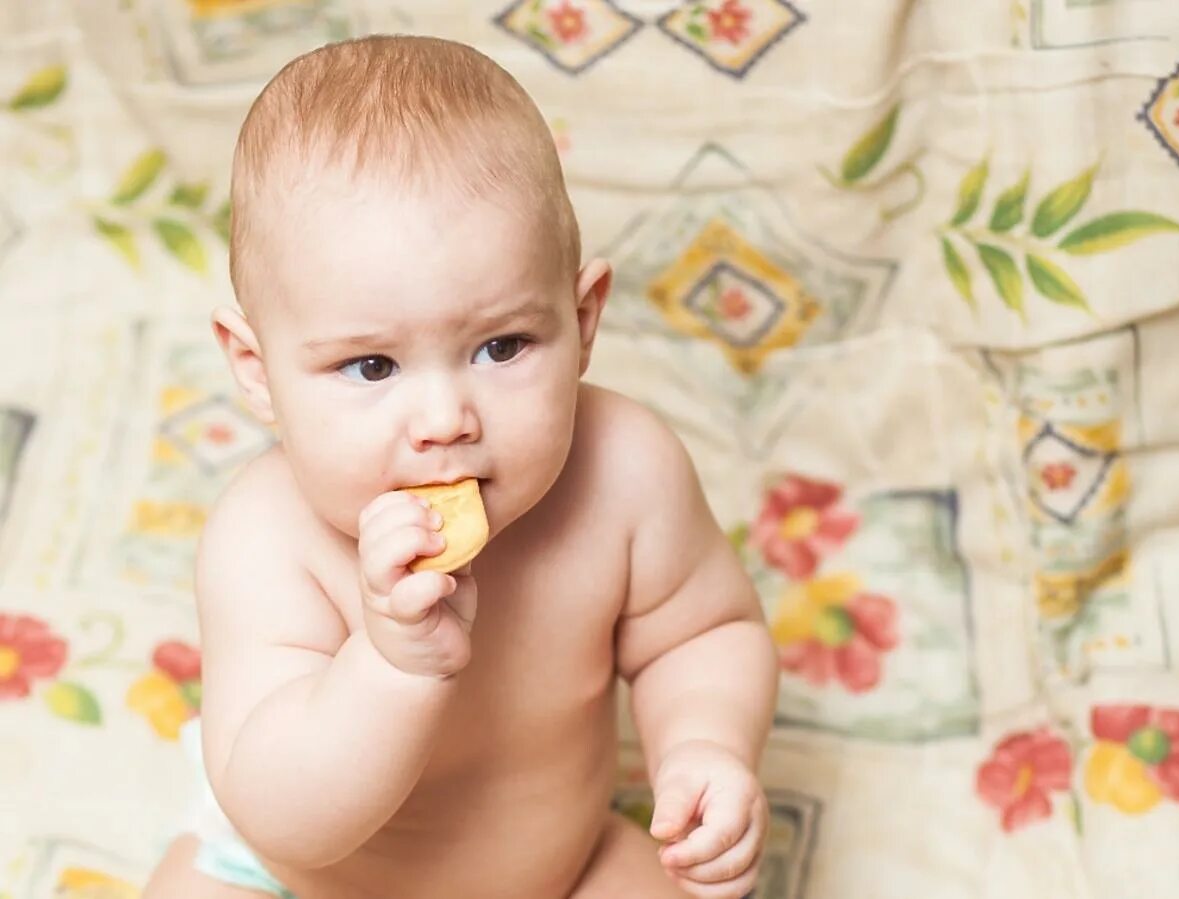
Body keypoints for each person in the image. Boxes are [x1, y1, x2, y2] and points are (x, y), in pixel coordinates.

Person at [142, 33, 779, 899]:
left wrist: (705, 744)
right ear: (257, 371)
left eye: (502, 345)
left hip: (557, 868)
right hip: (299, 878)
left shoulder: (627, 473)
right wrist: (391, 665)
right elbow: (286, 816)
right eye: (372, 366)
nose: (445, 420)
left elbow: (705, 633)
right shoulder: (267, 539)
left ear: (583, 317)